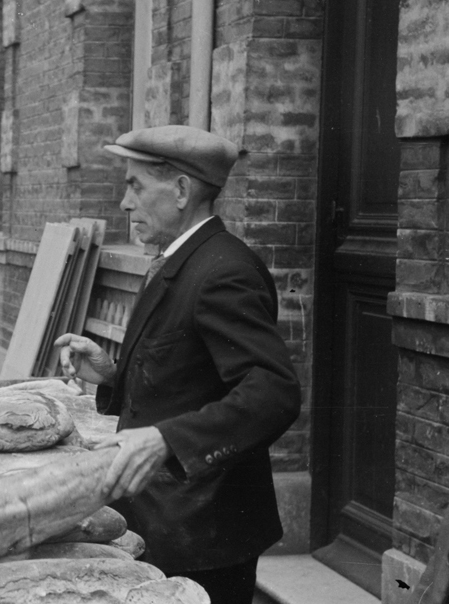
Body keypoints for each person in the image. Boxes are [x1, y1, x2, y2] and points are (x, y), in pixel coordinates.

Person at [53, 125, 301, 604]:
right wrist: (111, 373)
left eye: (136, 186)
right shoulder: (181, 259)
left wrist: (167, 440)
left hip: (204, 534)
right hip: (169, 520)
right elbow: (192, 375)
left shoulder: (223, 270)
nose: (125, 203)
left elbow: (273, 392)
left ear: (183, 190)